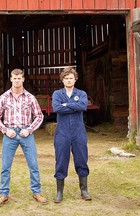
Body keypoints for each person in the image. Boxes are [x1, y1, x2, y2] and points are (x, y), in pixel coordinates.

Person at [0, 68, 47, 207]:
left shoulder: (30, 97)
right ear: (11, 79)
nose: (17, 80)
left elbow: (39, 116)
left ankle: (36, 192)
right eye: (14, 78)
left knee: (33, 164)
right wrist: (5, 130)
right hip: (10, 134)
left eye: (19, 78)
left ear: (23, 79)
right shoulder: (4, 97)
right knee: (5, 166)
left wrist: (29, 130)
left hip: (26, 134)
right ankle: (3, 194)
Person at [52, 66, 92, 203]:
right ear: (62, 80)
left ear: (75, 79)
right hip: (62, 132)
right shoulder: (57, 94)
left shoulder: (81, 93)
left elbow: (83, 106)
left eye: (71, 78)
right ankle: (59, 192)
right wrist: (74, 105)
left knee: (81, 159)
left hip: (78, 132)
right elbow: (57, 108)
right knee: (61, 160)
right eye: (66, 78)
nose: (69, 80)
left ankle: (84, 190)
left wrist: (66, 105)